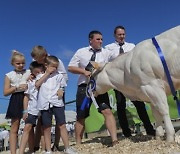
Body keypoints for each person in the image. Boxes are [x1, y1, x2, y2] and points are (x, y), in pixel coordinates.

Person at [68, 30, 118, 146]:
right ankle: (79, 144)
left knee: (107, 111)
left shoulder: (106, 53)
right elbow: (70, 67)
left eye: (101, 39)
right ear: (91, 40)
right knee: (81, 116)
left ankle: (114, 140)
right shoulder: (81, 52)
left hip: (99, 87)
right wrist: (83, 71)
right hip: (83, 87)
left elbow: (117, 58)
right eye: (98, 39)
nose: (101, 41)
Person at [105, 25, 155, 137]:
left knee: (140, 105)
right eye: (119, 34)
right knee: (121, 106)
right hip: (118, 82)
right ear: (115, 35)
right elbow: (107, 64)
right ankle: (126, 132)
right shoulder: (108, 48)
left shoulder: (132, 46)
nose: (121, 36)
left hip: (132, 81)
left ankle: (149, 129)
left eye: (123, 34)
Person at [35, 55, 77, 154]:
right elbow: (37, 84)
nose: (54, 69)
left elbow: (62, 86)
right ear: (46, 65)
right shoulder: (40, 76)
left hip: (57, 103)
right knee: (46, 127)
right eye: (52, 66)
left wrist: (61, 90)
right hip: (45, 103)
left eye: (56, 67)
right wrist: (46, 74)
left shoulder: (59, 76)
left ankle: (67, 147)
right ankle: (48, 149)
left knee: (62, 124)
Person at [31, 45, 68, 151]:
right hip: (43, 95)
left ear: (44, 56)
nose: (38, 61)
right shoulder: (37, 62)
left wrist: (62, 89)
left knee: (60, 121)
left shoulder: (56, 61)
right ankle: (42, 146)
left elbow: (64, 76)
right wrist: (32, 75)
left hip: (57, 93)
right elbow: (34, 71)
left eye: (39, 60)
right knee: (43, 122)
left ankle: (56, 144)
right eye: (36, 60)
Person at [3, 50, 30, 154]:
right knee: (14, 127)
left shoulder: (28, 72)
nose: (21, 65)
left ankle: (30, 148)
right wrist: (17, 87)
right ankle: (13, 152)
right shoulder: (9, 75)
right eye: (18, 63)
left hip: (28, 97)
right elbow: (5, 92)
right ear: (12, 63)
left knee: (29, 124)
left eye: (23, 63)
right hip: (15, 98)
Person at [19, 61, 44, 154]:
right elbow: (26, 97)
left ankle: (45, 149)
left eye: (40, 72)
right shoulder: (30, 82)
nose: (39, 74)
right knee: (28, 128)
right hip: (32, 108)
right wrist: (25, 110)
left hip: (43, 107)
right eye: (36, 72)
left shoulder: (46, 79)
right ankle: (24, 151)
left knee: (43, 129)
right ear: (32, 72)